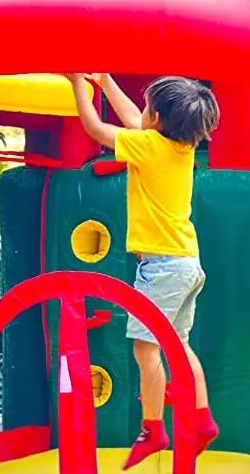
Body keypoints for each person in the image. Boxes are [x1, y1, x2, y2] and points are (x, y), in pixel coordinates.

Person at [65, 73, 220, 470]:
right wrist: (105, 79)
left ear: (159, 119)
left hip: (162, 267)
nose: (142, 112)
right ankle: (201, 419)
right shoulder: (180, 146)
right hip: (186, 262)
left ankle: (153, 428)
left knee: (145, 347)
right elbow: (137, 121)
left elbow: (96, 128)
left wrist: (78, 86)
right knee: (178, 345)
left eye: (148, 106)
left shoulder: (149, 145)